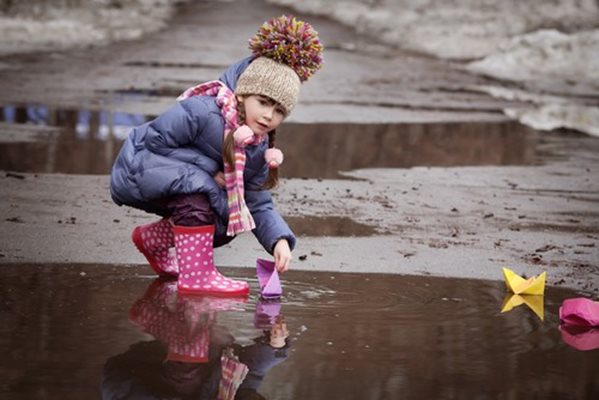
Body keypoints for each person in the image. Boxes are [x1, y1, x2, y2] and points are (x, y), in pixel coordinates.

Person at [110, 15, 324, 295]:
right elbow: (154, 141)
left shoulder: (257, 147)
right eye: (263, 102)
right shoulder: (203, 111)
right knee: (200, 190)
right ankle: (196, 276)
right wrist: (208, 171)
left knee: (230, 217)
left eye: (279, 111)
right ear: (244, 94)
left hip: (175, 181)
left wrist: (279, 241)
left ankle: (154, 240)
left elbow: (257, 200)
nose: (269, 115)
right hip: (138, 166)